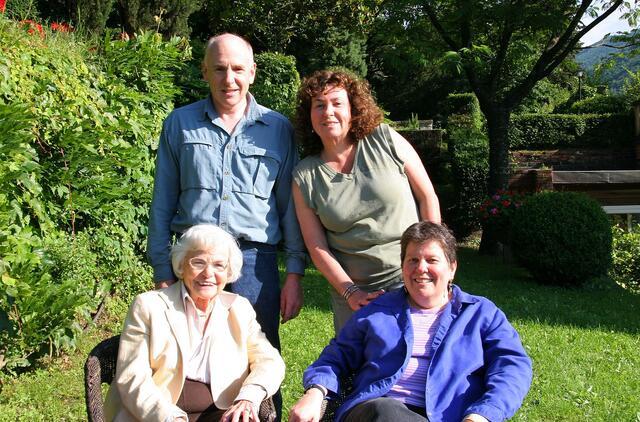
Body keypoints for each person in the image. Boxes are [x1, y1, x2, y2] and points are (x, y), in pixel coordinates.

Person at [147, 33, 306, 353]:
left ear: (252, 72)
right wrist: (162, 268)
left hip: (255, 264)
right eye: (219, 69)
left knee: (257, 352)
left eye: (237, 69)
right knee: (187, 353)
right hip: (194, 259)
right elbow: (162, 201)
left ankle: (261, 406)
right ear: (205, 72)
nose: (229, 79)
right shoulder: (179, 124)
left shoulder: (278, 130)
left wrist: (294, 273)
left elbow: (290, 208)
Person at [288, 221, 533, 422]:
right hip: (376, 412)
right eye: (412, 260)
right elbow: (335, 357)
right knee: (387, 412)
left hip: (450, 415)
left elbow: (513, 367)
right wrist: (316, 392)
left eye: (432, 260)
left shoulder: (480, 314)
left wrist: (483, 414)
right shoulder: (377, 311)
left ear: (452, 268)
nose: (420, 269)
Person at [292, 69, 441, 334]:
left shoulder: (384, 139)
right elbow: (316, 247)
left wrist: (429, 261)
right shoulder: (305, 174)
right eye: (319, 105)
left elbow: (427, 196)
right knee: (360, 370)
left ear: (353, 109)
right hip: (354, 295)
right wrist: (351, 292)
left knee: (421, 361)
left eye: (337, 103)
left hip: (412, 278)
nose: (328, 111)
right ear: (309, 116)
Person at [105, 224, 285, 421]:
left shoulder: (238, 308)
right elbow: (132, 376)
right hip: (159, 413)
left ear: (228, 272)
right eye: (198, 263)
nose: (208, 274)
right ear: (182, 266)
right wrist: (167, 417)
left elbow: (270, 360)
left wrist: (248, 397)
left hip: (222, 412)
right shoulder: (149, 306)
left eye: (219, 265)